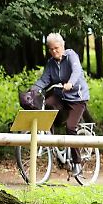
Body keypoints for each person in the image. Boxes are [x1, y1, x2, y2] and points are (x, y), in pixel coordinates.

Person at [32, 32, 91, 176]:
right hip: (61, 97)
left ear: (62, 46)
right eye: (51, 49)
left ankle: (77, 163)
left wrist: (70, 83)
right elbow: (44, 80)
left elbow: (77, 71)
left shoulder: (71, 56)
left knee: (71, 127)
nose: (54, 51)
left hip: (77, 98)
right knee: (47, 105)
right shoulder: (51, 63)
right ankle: (52, 142)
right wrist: (33, 89)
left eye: (56, 48)